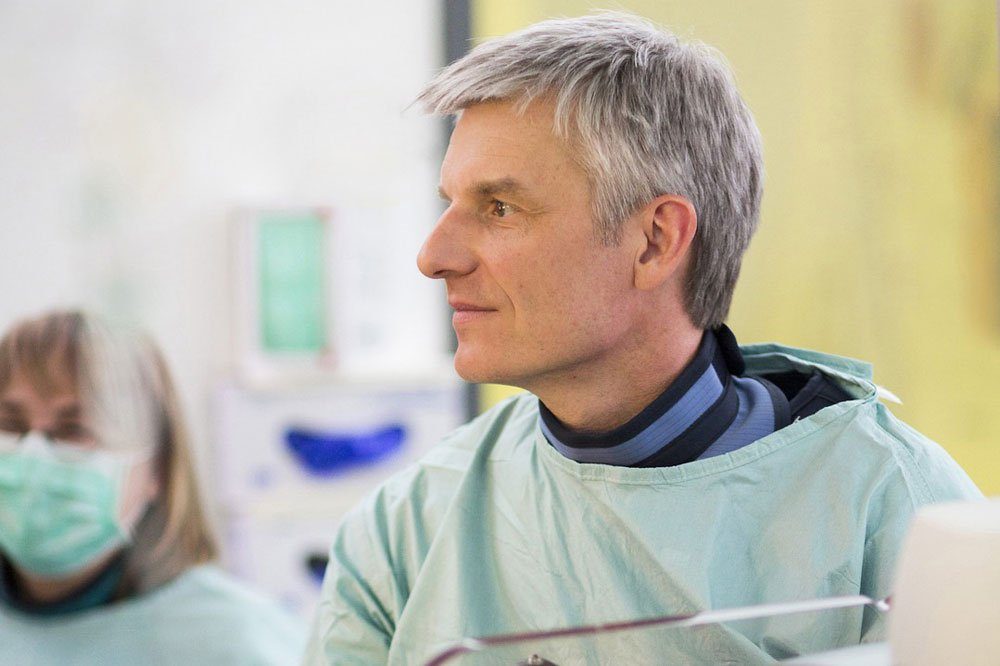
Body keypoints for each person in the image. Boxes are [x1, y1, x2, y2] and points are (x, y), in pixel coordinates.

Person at [304, 12, 982, 664]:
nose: (433, 255)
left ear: (656, 241)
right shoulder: (407, 531)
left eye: (499, 208)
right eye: (448, 203)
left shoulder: (904, 517)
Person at [0, 310, 306, 664]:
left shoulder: (235, 643)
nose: (33, 455)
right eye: (10, 424)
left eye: (73, 431)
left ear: (157, 467)